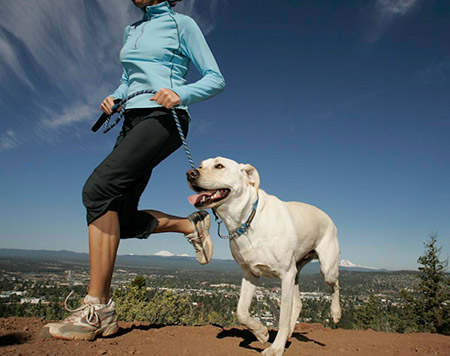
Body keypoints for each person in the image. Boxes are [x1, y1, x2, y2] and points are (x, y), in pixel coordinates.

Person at [43, 0, 225, 340]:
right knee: (120, 217)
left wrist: (180, 92)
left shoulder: (181, 24)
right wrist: (115, 96)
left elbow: (216, 79)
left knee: (97, 190)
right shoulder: (132, 30)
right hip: (131, 119)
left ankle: (98, 307)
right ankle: (192, 225)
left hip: (163, 118)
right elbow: (129, 78)